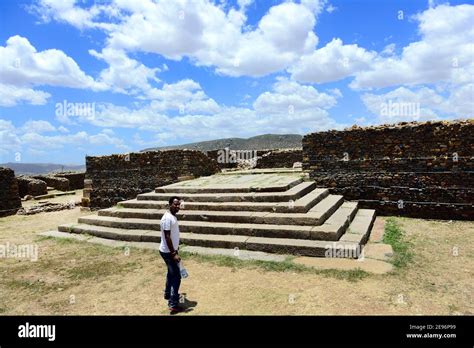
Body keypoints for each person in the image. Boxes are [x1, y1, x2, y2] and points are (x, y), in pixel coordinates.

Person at [159, 196, 183, 314]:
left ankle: (168, 293)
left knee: (171, 272)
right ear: (169, 204)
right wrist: (173, 253)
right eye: (175, 204)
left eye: (179, 204)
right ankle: (173, 304)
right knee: (176, 277)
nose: (177, 206)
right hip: (168, 252)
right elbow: (167, 236)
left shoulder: (172, 216)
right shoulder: (167, 218)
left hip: (171, 250)